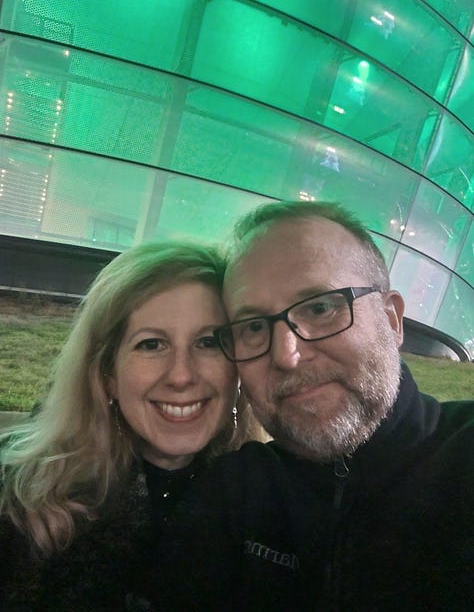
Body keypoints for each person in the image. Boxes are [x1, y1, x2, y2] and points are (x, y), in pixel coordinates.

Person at [153, 201, 474, 611]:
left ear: (392, 320)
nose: (287, 356)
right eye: (253, 327)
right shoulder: (232, 493)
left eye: (321, 307)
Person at [0, 241, 261, 610]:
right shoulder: (17, 494)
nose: (182, 375)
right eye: (152, 344)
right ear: (107, 373)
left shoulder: (266, 501)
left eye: (207, 342)